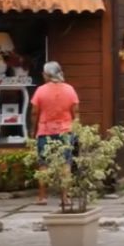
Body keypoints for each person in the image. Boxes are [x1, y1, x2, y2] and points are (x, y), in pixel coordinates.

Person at [31, 61, 79, 205]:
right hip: (65, 130)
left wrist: (33, 129)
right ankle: (65, 197)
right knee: (66, 164)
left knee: (43, 164)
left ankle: (42, 196)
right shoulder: (70, 89)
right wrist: (76, 128)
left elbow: (34, 113)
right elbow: (75, 111)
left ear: (47, 74)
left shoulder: (40, 91)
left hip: (45, 130)